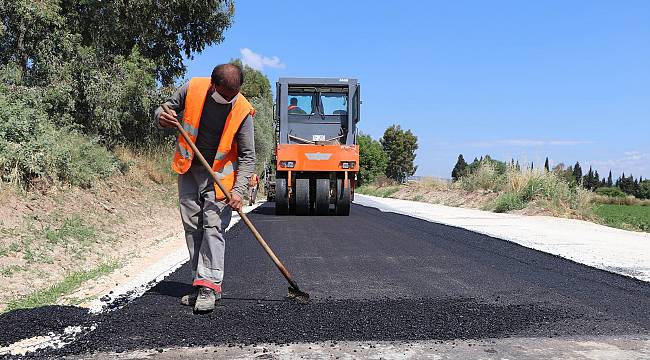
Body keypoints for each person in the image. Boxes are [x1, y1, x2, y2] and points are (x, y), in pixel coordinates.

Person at [154, 63, 256, 313]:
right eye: (226, 95)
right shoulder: (193, 88)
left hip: (220, 175)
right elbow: (164, 110)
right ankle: (200, 282)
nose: (231, 100)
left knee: (213, 226)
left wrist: (239, 191)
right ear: (213, 85)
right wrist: (162, 118)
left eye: (235, 95)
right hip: (189, 168)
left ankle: (210, 285)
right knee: (193, 227)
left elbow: (247, 155)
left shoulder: (241, 109)